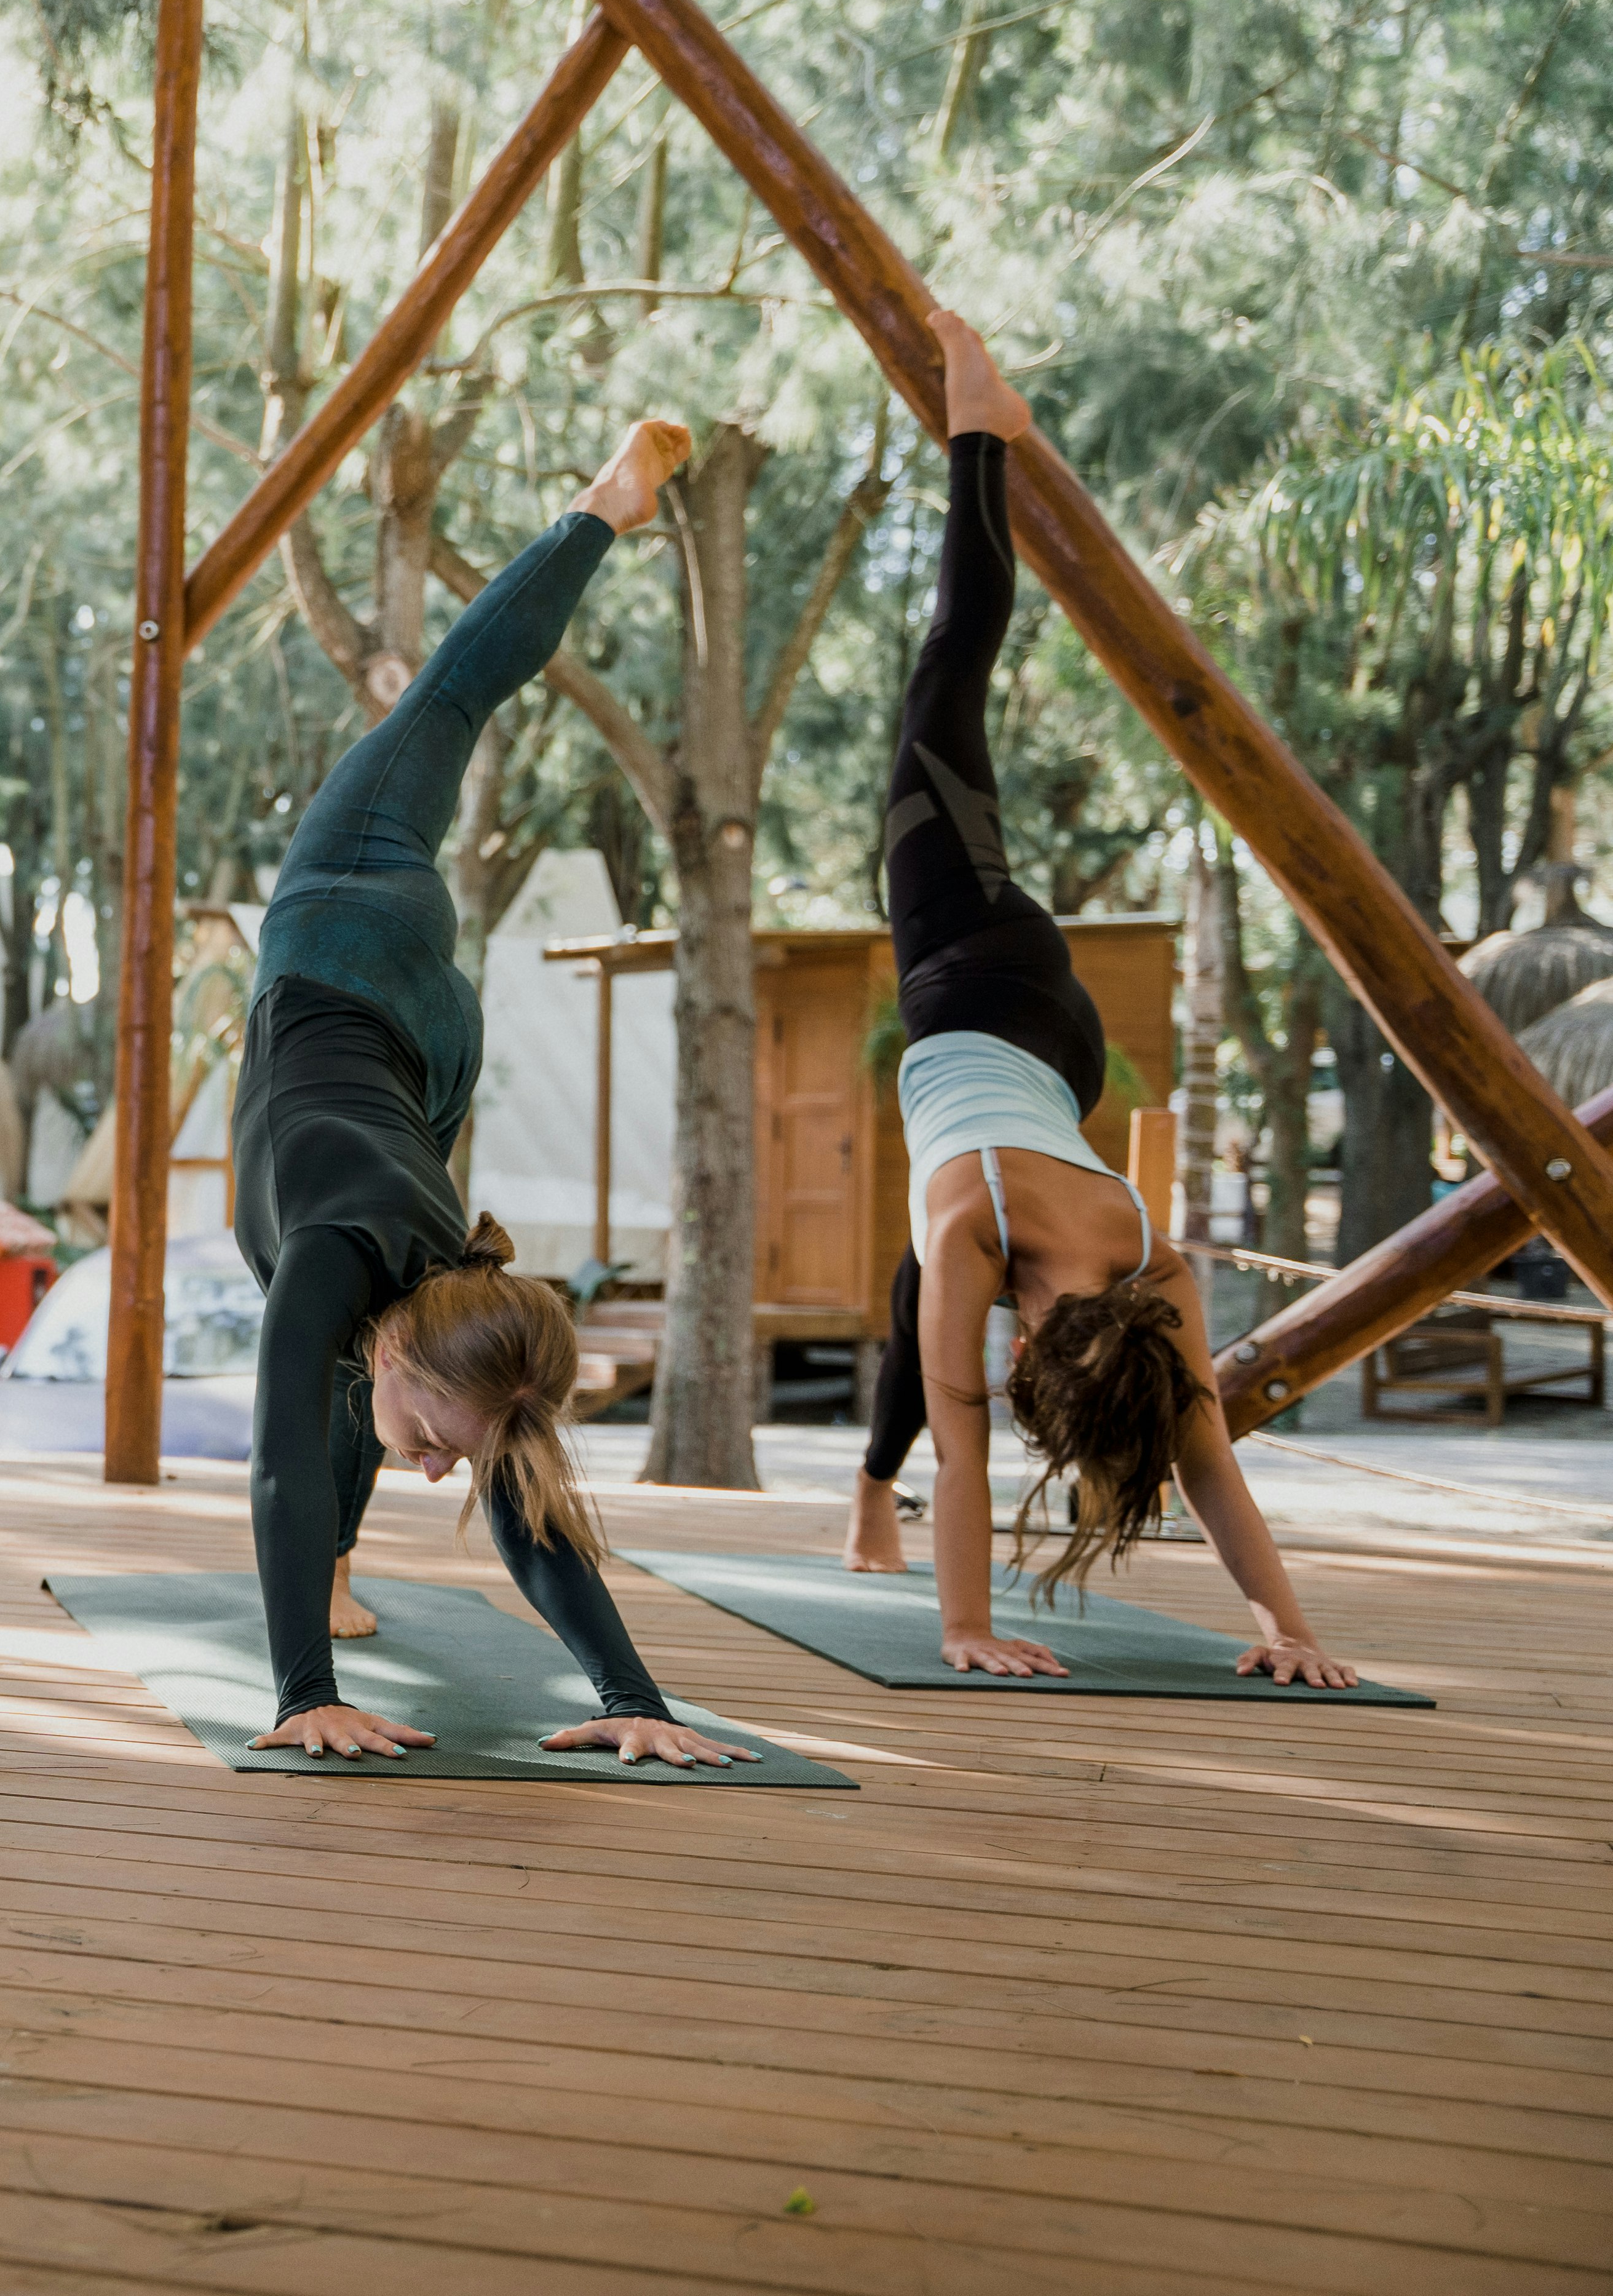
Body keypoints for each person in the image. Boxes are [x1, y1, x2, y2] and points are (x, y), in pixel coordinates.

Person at [842, 312, 1354, 1687]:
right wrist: (961, 1627)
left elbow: (1206, 1461)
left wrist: (1292, 1632)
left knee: (909, 1297)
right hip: (972, 968)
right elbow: (968, 1447)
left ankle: (855, 1490)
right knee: (945, 679)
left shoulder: (1151, 1263)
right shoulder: (977, 1229)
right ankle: (977, 429)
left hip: (1062, 1053)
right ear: (1036, 1337)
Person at [238, 418, 757, 1770]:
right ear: (412, 1354)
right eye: (436, 1442)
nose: (436, 1469)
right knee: (447, 704)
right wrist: (302, 1688)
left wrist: (638, 1698)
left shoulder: (424, 1308)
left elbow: (520, 1485)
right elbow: (284, 1462)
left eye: (437, 1454)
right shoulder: (345, 1263)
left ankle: (338, 1593)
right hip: (356, 926)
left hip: (425, 1057)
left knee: (337, 1388)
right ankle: (597, 508)